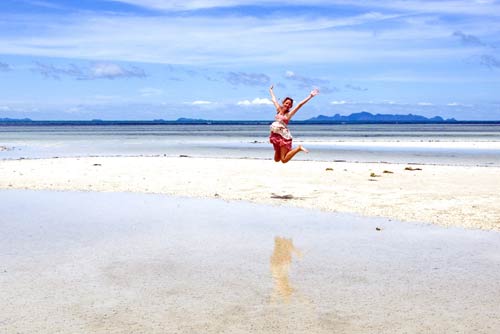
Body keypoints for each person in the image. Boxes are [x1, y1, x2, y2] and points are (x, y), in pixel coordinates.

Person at [269, 85, 319, 163]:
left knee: (284, 160)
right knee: (276, 159)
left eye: (289, 104)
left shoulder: (289, 114)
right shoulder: (279, 110)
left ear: (291, 106)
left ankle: (298, 148)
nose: (287, 105)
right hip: (275, 137)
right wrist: (271, 90)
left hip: (283, 137)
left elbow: (299, 105)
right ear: (283, 103)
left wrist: (310, 96)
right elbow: (274, 100)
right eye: (286, 103)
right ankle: (293, 150)